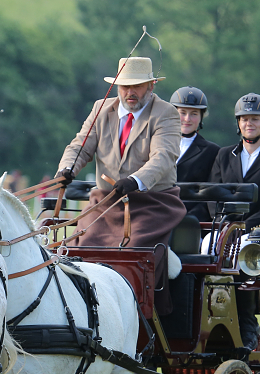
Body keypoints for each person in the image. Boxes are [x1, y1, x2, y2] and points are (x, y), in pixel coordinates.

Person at [55, 56, 186, 314]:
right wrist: (67, 168)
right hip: (105, 203)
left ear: (151, 86)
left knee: (132, 254)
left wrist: (136, 180)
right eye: (124, 86)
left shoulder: (166, 114)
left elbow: (164, 157)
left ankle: (139, 316)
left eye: (136, 86)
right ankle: (81, 313)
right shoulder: (101, 109)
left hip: (152, 205)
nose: (130, 92)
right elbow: (80, 146)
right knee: (80, 249)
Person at [209, 93, 260, 354]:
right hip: (225, 226)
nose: (249, 124)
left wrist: (247, 225)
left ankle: (247, 327)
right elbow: (213, 193)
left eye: (255, 119)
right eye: (245, 119)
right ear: (238, 123)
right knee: (204, 253)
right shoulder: (224, 155)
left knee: (242, 255)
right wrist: (222, 222)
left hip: (258, 230)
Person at [171, 86, 219, 184]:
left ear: (201, 117)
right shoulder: (158, 143)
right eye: (183, 113)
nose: (187, 119)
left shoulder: (213, 151)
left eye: (194, 114)